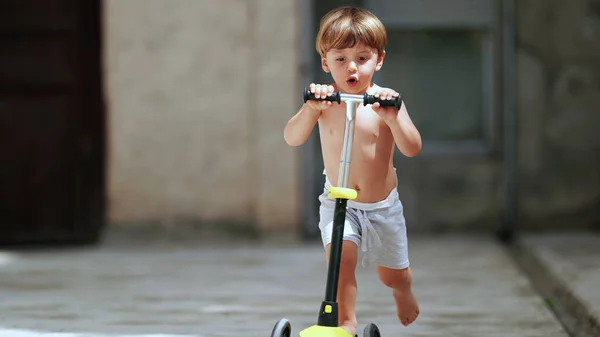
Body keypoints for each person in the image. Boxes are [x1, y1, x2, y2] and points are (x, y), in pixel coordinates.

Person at [283, 5, 422, 336]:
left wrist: (395, 116)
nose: (352, 67)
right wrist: (309, 108)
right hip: (338, 201)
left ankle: (403, 292)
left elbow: (412, 147)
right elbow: (292, 138)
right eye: (341, 58)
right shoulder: (324, 102)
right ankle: (344, 324)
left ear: (379, 60)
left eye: (362, 58)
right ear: (325, 62)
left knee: (393, 274)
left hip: (381, 207)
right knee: (341, 263)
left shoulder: (384, 102)